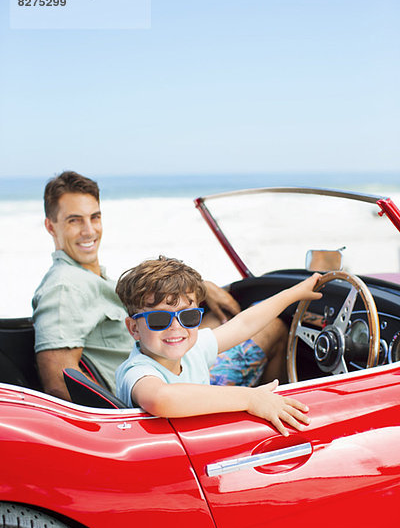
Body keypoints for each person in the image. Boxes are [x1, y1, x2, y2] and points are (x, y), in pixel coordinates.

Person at [32, 171, 288, 401]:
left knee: (241, 313)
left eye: (95, 217)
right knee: (273, 327)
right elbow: (59, 385)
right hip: (149, 395)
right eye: (74, 221)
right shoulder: (65, 287)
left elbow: (147, 303)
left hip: (164, 363)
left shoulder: (89, 277)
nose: (89, 230)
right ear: (50, 226)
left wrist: (203, 286)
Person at [116, 256, 322, 436]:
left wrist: (294, 294)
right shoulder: (138, 371)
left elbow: (244, 324)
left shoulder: (191, 349)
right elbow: (161, 399)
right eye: (159, 319)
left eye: (188, 316)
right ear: (133, 328)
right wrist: (250, 399)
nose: (176, 327)